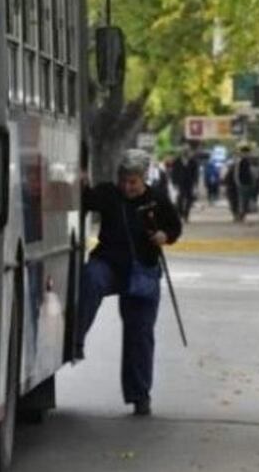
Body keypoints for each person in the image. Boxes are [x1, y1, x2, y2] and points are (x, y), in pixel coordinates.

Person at [77, 149, 183, 416]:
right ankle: (76, 339)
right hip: (110, 265)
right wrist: (79, 181)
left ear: (143, 179)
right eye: (124, 180)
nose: (127, 187)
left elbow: (174, 228)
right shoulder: (109, 194)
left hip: (143, 272)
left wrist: (164, 235)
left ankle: (140, 395)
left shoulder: (157, 200)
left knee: (140, 335)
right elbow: (85, 199)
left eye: (133, 182)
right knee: (90, 278)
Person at [171, 147, 199, 222]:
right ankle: (180, 213)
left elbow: (196, 174)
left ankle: (186, 214)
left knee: (190, 199)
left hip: (189, 183)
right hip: (180, 183)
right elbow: (173, 172)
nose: (186, 153)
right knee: (180, 198)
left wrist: (196, 184)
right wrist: (174, 183)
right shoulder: (176, 161)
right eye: (184, 152)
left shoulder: (193, 162)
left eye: (187, 152)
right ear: (182, 153)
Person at [234, 144, 257, 221]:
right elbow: (237, 173)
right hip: (243, 183)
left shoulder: (247, 161)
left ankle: (242, 215)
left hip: (247, 183)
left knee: (245, 200)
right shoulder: (241, 161)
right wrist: (238, 182)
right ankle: (240, 215)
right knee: (243, 200)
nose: (249, 154)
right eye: (247, 153)